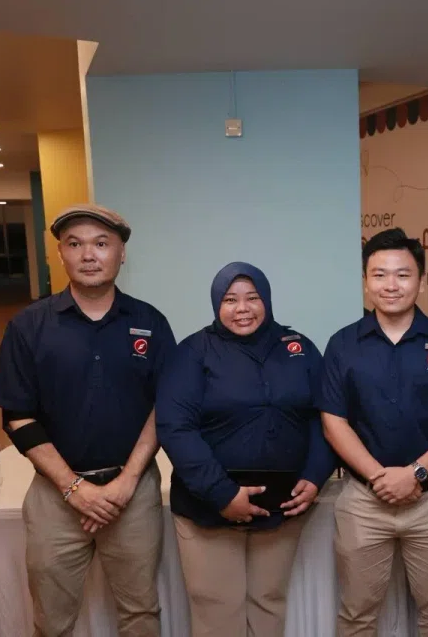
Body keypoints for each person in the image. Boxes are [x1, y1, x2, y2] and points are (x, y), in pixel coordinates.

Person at [0, 203, 174, 637]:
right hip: (55, 497)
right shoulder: (28, 326)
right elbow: (17, 417)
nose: (89, 254)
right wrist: (74, 489)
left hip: (133, 494)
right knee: (52, 621)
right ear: (61, 254)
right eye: (75, 244)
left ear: (121, 253)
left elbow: (165, 406)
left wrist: (125, 483)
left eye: (101, 243)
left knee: (141, 614)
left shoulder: (150, 322)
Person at [318, 228, 428, 637]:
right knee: (356, 616)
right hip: (364, 501)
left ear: (421, 281)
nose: (390, 285)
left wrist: (415, 473)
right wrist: (379, 477)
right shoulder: (342, 345)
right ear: (366, 281)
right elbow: (333, 422)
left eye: (402, 274)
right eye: (379, 275)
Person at [155, 262, 336, 637]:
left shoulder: (298, 348)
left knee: (269, 606)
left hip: (281, 505)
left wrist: (315, 475)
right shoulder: (193, 352)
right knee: (218, 614)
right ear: (216, 304)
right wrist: (222, 494)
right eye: (230, 300)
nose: (242, 309)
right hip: (208, 507)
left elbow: (324, 417)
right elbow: (176, 428)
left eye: (252, 298)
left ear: (266, 299)